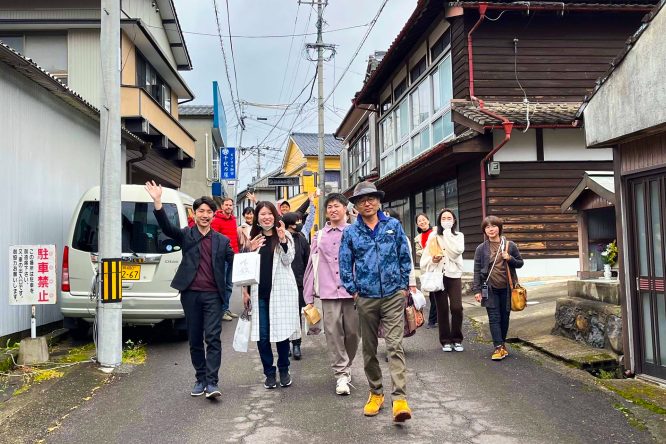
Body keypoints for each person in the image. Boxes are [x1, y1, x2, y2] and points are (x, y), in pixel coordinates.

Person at [145, 181, 233, 400]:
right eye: (201, 211)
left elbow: (236, 261)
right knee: (194, 338)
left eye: (209, 212)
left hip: (213, 295)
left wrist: (250, 250)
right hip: (190, 294)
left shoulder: (222, 241)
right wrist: (158, 202)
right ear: (194, 214)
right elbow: (166, 228)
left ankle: (212, 382)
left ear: (214, 215)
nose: (205, 215)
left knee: (213, 337)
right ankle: (200, 378)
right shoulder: (186, 235)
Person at [339, 181, 414, 423]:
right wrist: (354, 291)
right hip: (366, 298)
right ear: (356, 206)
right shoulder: (350, 232)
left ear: (379, 201)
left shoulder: (392, 225)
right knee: (369, 349)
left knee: (394, 346)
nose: (367, 203)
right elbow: (344, 263)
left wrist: (403, 286)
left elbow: (405, 255)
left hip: (393, 295)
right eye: (362, 200)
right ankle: (376, 392)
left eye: (371, 198)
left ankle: (400, 399)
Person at [303, 193, 359, 396]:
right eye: (329, 207)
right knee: (333, 333)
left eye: (337, 206)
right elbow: (311, 265)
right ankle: (341, 374)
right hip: (328, 292)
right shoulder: (319, 236)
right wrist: (308, 296)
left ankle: (347, 363)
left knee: (353, 333)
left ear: (345, 208)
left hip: (352, 291)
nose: (333, 210)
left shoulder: (355, 232)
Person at [241, 202, 301, 389]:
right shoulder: (253, 238)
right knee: (263, 336)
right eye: (262, 214)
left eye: (269, 214)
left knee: (282, 335)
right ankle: (269, 372)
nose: (266, 217)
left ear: (275, 216)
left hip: (281, 294)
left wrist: (283, 240)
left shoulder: (285, 235)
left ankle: (284, 369)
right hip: (260, 294)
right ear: (257, 218)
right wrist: (245, 290)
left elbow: (288, 259)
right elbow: (244, 267)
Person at [472, 216, 524, 361]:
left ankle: (502, 344)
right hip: (489, 288)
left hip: (507, 288)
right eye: (487, 227)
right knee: (494, 317)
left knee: (504, 317)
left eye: (493, 226)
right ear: (484, 230)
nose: (491, 229)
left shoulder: (510, 245)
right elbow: (476, 270)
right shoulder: (481, 249)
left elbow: (520, 263)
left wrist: (510, 258)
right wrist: (476, 290)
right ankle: (498, 347)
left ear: (499, 228)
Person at [420, 209, 465, 352]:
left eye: (449, 218)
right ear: (439, 221)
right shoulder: (433, 236)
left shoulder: (458, 236)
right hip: (438, 275)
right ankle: (445, 340)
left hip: (454, 274)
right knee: (442, 308)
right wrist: (433, 260)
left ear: (454, 220)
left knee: (456, 308)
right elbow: (425, 258)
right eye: (443, 218)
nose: (446, 220)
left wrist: (447, 233)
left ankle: (457, 339)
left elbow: (456, 252)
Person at [281, 211, 311, 360]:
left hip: (299, 282)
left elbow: (308, 261)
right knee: (284, 315)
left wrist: (308, 281)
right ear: (287, 224)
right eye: (295, 222)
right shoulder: (280, 238)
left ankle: (297, 343)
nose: (298, 224)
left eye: (299, 221)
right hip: (282, 282)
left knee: (296, 314)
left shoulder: (302, 239)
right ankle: (285, 344)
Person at [210, 197, 240, 321]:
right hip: (222, 258)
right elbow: (213, 239)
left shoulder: (233, 220)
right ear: (222, 206)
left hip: (233, 256)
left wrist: (237, 254)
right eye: (226, 205)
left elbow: (235, 239)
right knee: (221, 285)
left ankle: (226, 309)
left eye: (230, 205)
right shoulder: (216, 220)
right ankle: (221, 311)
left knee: (229, 285)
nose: (228, 207)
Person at [413, 213, 437, 328]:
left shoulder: (436, 231)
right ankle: (433, 320)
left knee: (440, 294)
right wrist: (429, 253)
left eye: (424, 220)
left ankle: (434, 320)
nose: (422, 222)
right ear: (417, 224)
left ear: (428, 220)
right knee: (433, 294)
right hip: (428, 268)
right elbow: (419, 253)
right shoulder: (418, 239)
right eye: (419, 221)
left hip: (440, 267)